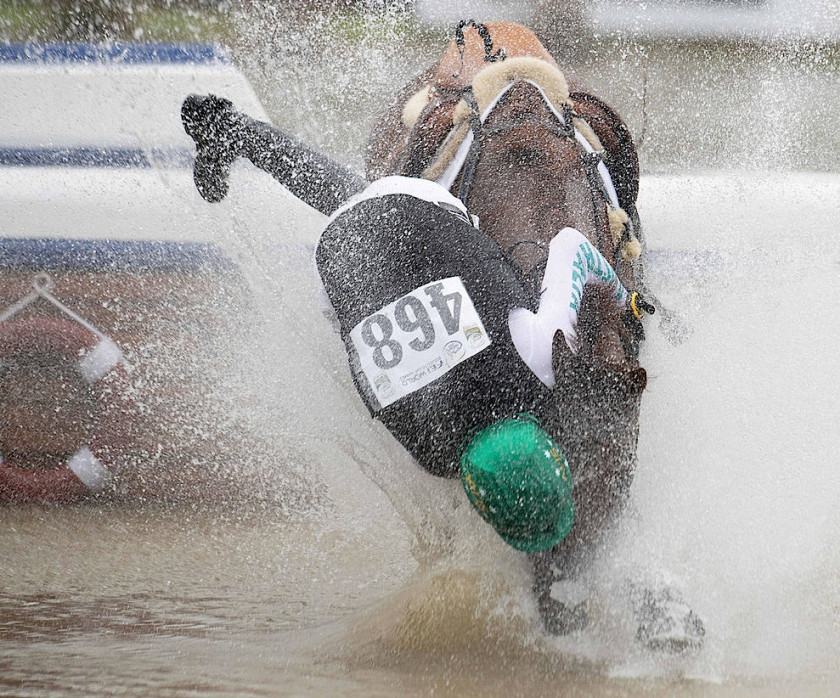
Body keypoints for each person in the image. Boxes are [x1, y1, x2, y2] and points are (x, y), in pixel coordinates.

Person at [180, 93, 647, 555]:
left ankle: (228, 127)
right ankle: (231, 130)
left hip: (404, 210)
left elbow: (571, 245)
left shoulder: (537, 361)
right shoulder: (432, 456)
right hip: (340, 263)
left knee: (367, 203)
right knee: (354, 211)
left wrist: (625, 299)